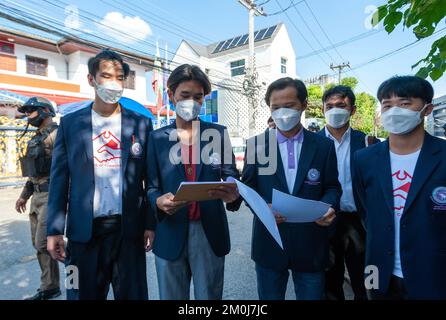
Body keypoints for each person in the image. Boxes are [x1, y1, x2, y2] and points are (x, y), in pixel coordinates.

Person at [46, 49, 155, 300]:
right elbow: (59, 179)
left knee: (134, 295)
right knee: (77, 294)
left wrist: (150, 224)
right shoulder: (71, 124)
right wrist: (53, 230)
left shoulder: (140, 124)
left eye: (119, 77)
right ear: (91, 79)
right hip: (82, 236)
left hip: (128, 232)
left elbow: (149, 179)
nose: (113, 83)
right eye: (105, 76)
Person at [242, 77, 342, 300]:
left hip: (311, 243)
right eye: (276, 107)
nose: (282, 112)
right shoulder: (257, 145)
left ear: (304, 105)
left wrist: (327, 207)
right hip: (269, 242)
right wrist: (261, 208)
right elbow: (248, 188)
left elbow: (333, 187)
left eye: (289, 106)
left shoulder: (323, 146)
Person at [147, 64, 240, 300]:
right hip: (170, 230)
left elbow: (231, 175)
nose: (192, 102)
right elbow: (151, 186)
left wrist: (232, 190)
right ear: (171, 95)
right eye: (185, 95)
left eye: (198, 97)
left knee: (208, 297)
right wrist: (157, 201)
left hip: (209, 231)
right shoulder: (156, 139)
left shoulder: (218, 134)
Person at [353, 75, 446, 299]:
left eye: (405, 103)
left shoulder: (442, 156)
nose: (395, 111)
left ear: (427, 109)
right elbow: (366, 211)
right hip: (378, 271)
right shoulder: (363, 159)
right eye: (387, 105)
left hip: (434, 274)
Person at [319, 85, 379, 300]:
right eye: (330, 106)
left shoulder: (368, 143)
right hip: (324, 220)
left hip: (358, 222)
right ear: (323, 110)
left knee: (364, 280)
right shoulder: (312, 143)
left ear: (352, 110)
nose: (335, 110)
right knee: (330, 282)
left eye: (341, 105)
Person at [15, 97, 60, 300]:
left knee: (45, 243)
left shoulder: (57, 134)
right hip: (37, 196)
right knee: (38, 244)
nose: (28, 116)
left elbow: (69, 169)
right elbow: (34, 173)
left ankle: (79, 273)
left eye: (31, 111)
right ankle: (50, 286)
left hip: (52, 195)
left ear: (44, 111)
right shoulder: (37, 137)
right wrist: (24, 196)